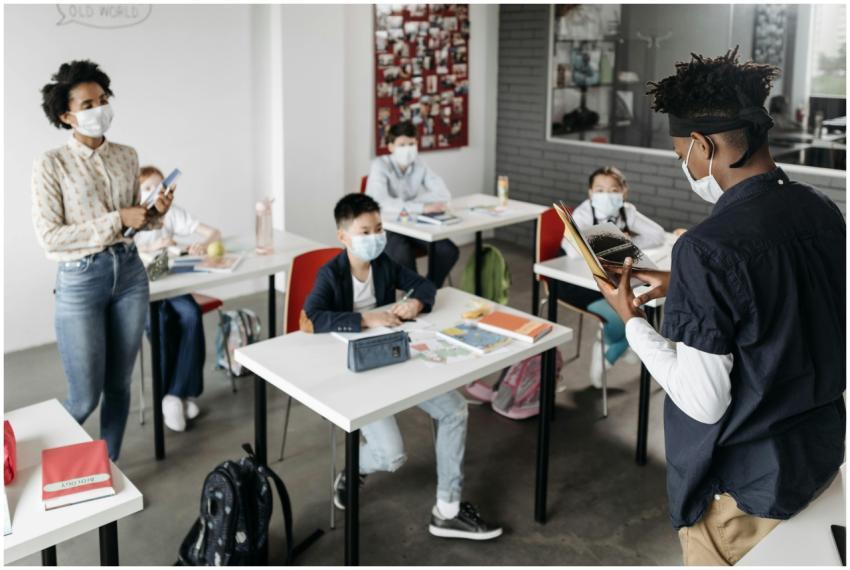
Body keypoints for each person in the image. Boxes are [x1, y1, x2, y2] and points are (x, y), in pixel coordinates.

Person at [595, 47, 845, 566]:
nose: (684, 164)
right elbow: (785, 299)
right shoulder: (822, 210)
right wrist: (681, 285)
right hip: (816, 462)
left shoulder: (708, 248)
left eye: (680, 153)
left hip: (743, 493)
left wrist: (632, 320)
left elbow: (702, 399)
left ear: (702, 146)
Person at [303, 193, 502, 541]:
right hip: (353, 370)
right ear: (343, 237)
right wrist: (365, 318)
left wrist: (415, 302)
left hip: (393, 356)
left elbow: (424, 284)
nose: (375, 237)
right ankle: (355, 468)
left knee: (454, 410)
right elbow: (311, 319)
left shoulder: (383, 263)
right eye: (364, 231)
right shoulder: (330, 273)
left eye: (379, 228)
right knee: (393, 456)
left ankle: (448, 511)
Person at [32, 60, 173, 460]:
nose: (100, 109)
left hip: (129, 273)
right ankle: (37, 468)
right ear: (66, 115)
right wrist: (117, 219)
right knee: (83, 398)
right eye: (88, 103)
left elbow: (131, 227)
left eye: (104, 99)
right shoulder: (51, 164)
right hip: (80, 281)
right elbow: (50, 237)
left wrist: (154, 212)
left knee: (119, 386)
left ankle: (107, 467)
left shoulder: (127, 156)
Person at [558, 166, 665, 388]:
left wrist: (628, 243)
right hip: (578, 282)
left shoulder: (627, 211)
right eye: (600, 190)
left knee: (639, 308)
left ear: (624, 191)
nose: (606, 195)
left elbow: (657, 235)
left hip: (614, 280)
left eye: (613, 190)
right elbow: (569, 248)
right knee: (631, 314)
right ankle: (613, 348)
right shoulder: (584, 213)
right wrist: (607, 240)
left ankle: (614, 348)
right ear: (590, 192)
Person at [134, 165, 222, 432]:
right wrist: (151, 247)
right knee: (159, 322)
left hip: (172, 282)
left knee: (191, 314)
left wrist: (201, 246)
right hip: (144, 290)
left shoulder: (171, 212)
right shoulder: (132, 218)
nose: (154, 193)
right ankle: (173, 396)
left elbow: (213, 233)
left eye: (160, 187)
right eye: (147, 187)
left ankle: (177, 394)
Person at [365, 121, 459, 287]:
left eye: (411, 144)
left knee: (448, 251)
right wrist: (422, 206)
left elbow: (443, 193)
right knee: (402, 254)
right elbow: (379, 203)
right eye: (402, 145)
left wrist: (410, 206)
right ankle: (415, 292)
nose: (408, 149)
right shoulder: (379, 165)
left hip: (412, 221)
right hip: (387, 226)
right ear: (390, 146)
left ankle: (429, 289)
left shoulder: (419, 164)